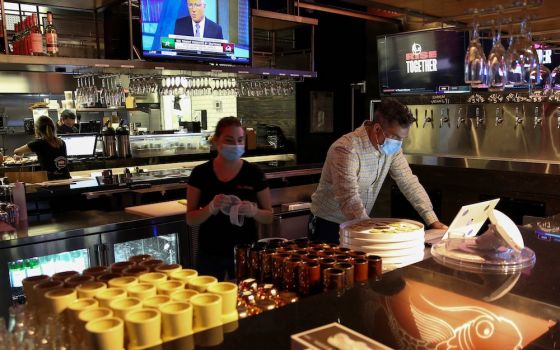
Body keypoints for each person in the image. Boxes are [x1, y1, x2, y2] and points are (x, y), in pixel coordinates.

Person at [310, 99, 447, 243]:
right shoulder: (346, 149)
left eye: (402, 139)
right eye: (395, 137)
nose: (398, 143)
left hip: (359, 225)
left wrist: (433, 221)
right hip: (328, 225)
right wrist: (372, 232)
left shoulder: (392, 150)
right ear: (377, 129)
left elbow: (408, 182)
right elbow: (349, 197)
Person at [186, 117, 273, 280]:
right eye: (229, 140)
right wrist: (210, 208)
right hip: (209, 253)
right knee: (209, 299)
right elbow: (191, 219)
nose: (235, 145)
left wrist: (254, 211)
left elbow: (269, 216)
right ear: (216, 140)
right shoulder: (200, 173)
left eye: (240, 140)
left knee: (245, 298)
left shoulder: (254, 173)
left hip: (245, 252)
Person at [14, 116, 70, 180]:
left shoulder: (38, 143)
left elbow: (16, 151)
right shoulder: (61, 142)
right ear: (53, 128)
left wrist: (21, 154)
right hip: (67, 180)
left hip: (51, 182)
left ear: (37, 129)